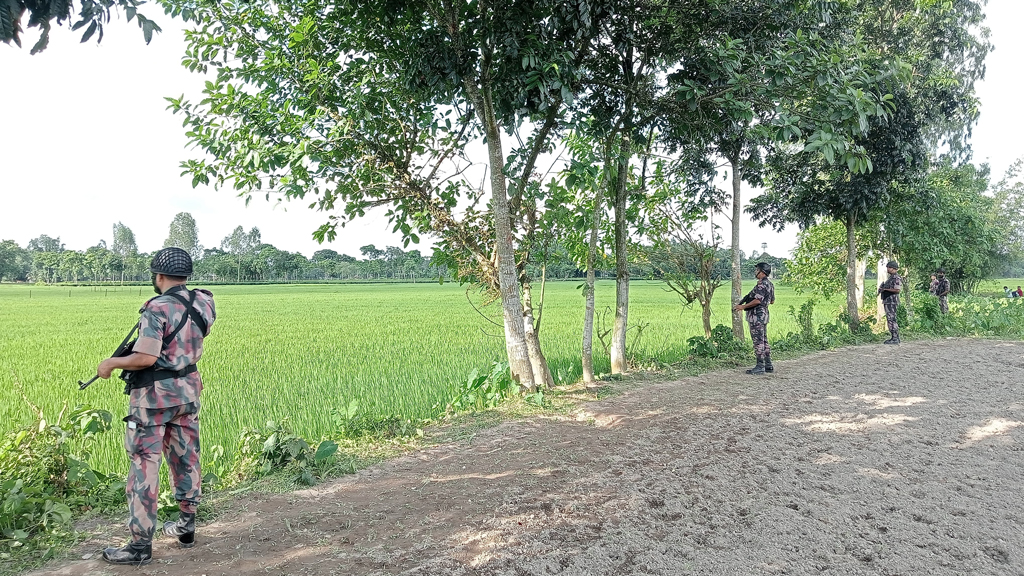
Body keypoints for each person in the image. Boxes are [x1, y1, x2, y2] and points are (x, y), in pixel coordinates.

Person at [95, 247, 216, 565]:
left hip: (153, 400)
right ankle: (186, 528)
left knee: (144, 466)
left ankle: (138, 547)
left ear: (158, 276)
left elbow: (146, 357)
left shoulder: (156, 309)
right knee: (186, 459)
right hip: (188, 393)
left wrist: (110, 363)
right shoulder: (204, 301)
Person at [733, 262, 775, 375]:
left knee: (758, 341)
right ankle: (768, 365)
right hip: (764, 314)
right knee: (764, 340)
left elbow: (757, 300)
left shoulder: (761, 285)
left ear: (762, 272)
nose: (755, 272)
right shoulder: (770, 284)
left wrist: (743, 306)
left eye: (757, 270)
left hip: (756, 316)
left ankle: (760, 366)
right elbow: (772, 301)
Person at [877, 261, 903, 344]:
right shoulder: (891, 277)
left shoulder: (896, 278)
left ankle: (895, 338)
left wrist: (885, 289)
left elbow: (897, 290)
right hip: (888, 301)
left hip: (892, 302)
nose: (888, 269)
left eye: (889, 267)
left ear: (893, 268)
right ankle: (894, 337)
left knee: (892, 319)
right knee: (890, 319)